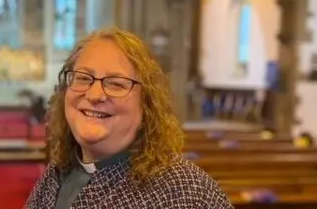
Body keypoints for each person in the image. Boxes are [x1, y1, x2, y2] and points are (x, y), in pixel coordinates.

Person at [25, 28, 234, 208]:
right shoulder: (60, 170)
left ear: (147, 104)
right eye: (83, 78)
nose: (94, 95)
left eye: (116, 84)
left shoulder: (186, 193)